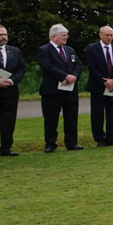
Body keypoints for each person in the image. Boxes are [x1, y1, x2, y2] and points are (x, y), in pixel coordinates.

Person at [37, 23, 83, 152]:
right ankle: (50, 144)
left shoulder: (69, 50)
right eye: (63, 35)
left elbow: (78, 64)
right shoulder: (44, 50)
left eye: (66, 35)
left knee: (71, 117)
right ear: (53, 36)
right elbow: (48, 67)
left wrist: (73, 76)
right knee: (51, 119)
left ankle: (71, 142)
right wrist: (65, 76)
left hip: (70, 90)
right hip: (52, 90)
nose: (66, 38)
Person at [84, 25, 113, 148]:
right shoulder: (92, 48)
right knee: (97, 113)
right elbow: (91, 67)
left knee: (112, 113)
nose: (109, 37)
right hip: (98, 86)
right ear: (100, 35)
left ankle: (111, 138)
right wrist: (104, 82)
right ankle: (99, 138)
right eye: (107, 35)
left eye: (111, 35)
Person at [0, 23, 26, 156]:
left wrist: (12, 80)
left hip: (10, 91)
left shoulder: (14, 51)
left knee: (8, 120)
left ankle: (6, 147)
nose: (3, 37)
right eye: (0, 35)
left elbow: (22, 68)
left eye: (5, 34)